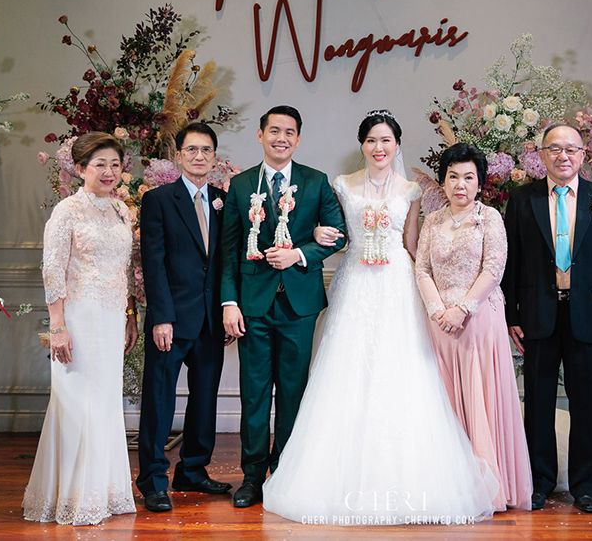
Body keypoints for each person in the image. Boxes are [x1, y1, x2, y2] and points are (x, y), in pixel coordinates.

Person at [261, 111, 500, 525]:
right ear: (362, 144)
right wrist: (317, 235)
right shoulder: (342, 185)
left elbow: (412, 244)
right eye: (372, 140)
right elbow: (333, 232)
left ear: (397, 145)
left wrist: (443, 291)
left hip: (396, 285)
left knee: (401, 371)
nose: (379, 147)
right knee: (347, 371)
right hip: (355, 281)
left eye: (386, 140)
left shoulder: (410, 190)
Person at [220, 105, 348, 509]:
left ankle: (286, 472)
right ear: (260, 135)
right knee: (254, 393)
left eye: (289, 132)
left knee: (293, 392)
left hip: (299, 305)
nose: (281, 138)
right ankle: (252, 477)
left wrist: (300, 253)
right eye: (274, 130)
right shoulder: (241, 185)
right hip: (253, 304)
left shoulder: (316, 181)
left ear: (298, 138)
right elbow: (229, 251)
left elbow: (340, 235)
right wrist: (229, 302)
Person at [502, 123, 592, 513]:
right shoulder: (522, 201)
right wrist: (510, 315)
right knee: (538, 404)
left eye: (571, 149)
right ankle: (539, 483)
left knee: (584, 404)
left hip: (585, 314)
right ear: (541, 155)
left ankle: (584, 487)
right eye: (554, 149)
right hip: (537, 314)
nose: (563, 156)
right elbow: (511, 262)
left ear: (583, 154)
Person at [23, 132, 139, 525]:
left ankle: (104, 491)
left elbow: (124, 269)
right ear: (80, 168)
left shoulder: (121, 210)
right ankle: (73, 495)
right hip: (78, 317)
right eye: (99, 164)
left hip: (111, 317)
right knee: (77, 402)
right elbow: (52, 270)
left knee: (105, 403)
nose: (109, 172)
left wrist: (129, 315)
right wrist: (57, 327)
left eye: (115, 164)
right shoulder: (67, 211)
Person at [414, 142, 532, 511]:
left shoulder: (490, 218)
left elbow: (493, 269)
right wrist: (438, 310)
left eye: (468, 177)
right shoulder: (432, 221)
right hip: (439, 324)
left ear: (480, 183)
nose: (460, 184)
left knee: (481, 399)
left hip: (478, 319)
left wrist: (462, 309)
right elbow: (422, 270)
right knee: (446, 401)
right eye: (453, 177)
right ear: (443, 181)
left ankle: (488, 486)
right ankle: (452, 484)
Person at [136, 122, 231, 513]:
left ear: (214, 157)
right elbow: (153, 262)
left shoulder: (224, 200)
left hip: (211, 319)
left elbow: (226, 262)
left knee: (205, 399)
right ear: (178, 156)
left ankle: (192, 469)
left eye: (206, 150)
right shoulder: (158, 200)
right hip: (171, 320)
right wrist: (161, 317)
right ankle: (153, 480)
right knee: (159, 400)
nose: (199, 156)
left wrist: (228, 309)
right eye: (191, 149)